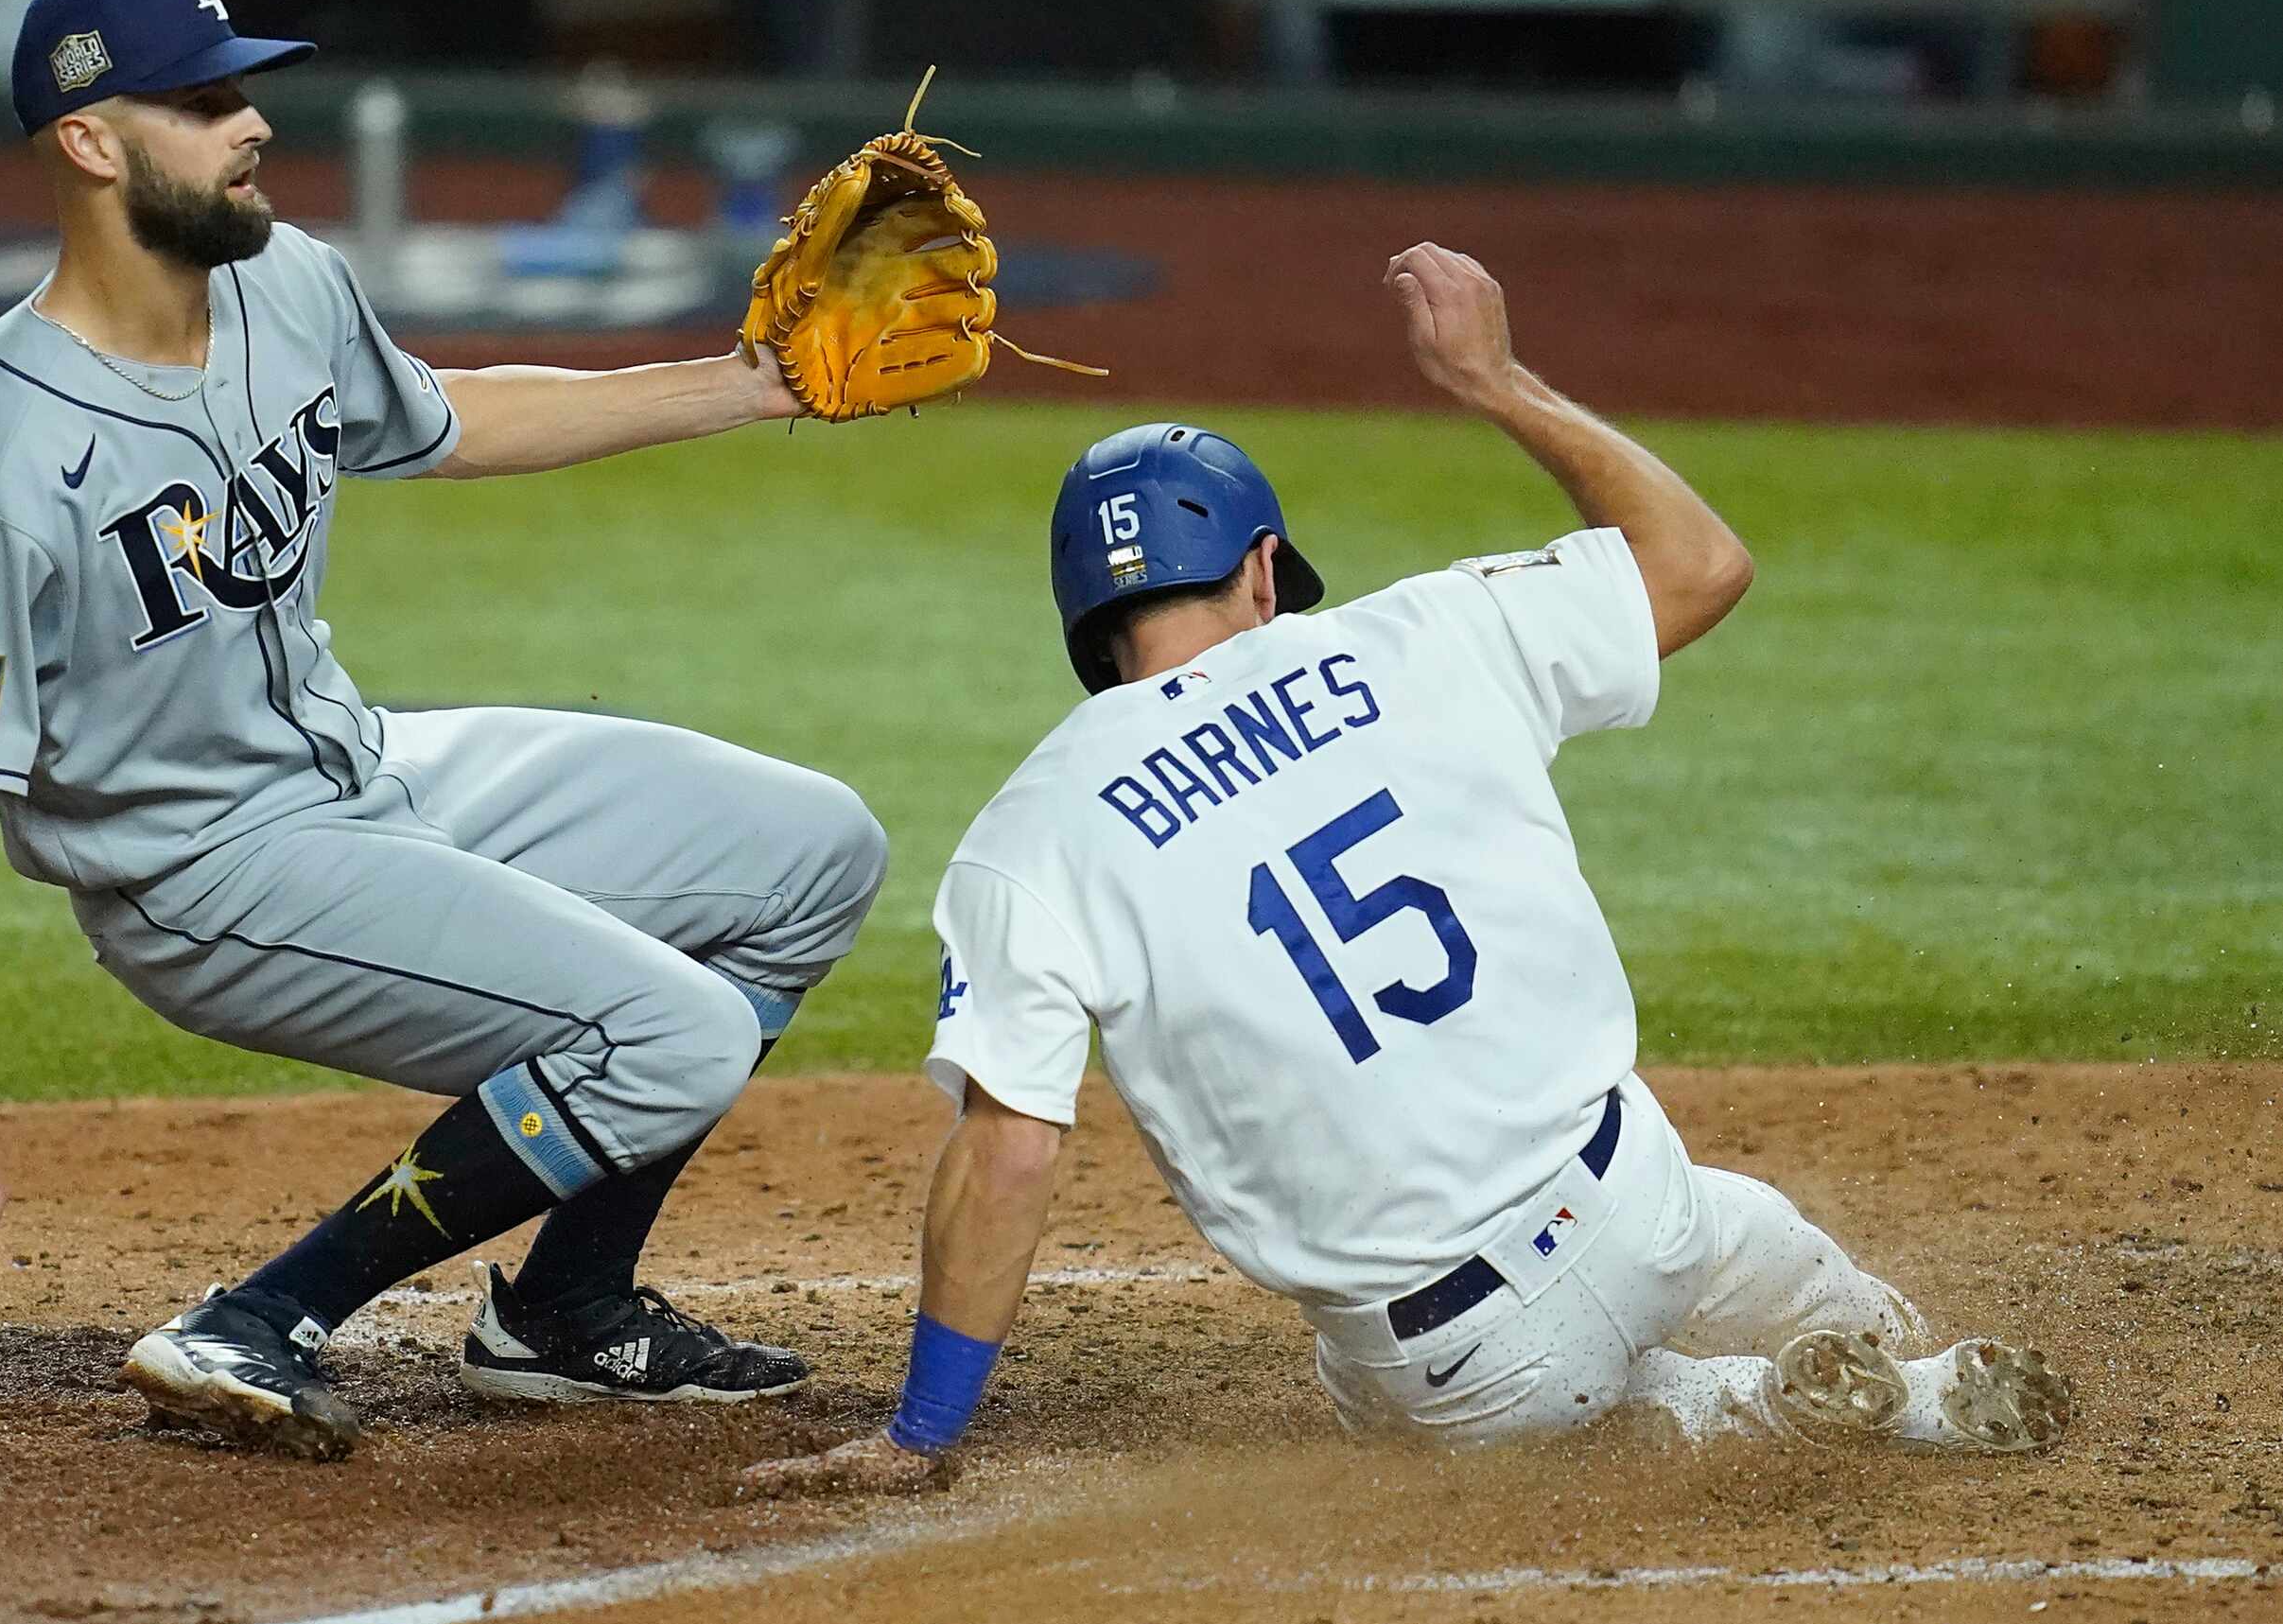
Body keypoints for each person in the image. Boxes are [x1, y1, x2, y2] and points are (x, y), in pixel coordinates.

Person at [745, 243, 2070, 1497]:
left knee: (1569, 1432)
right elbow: (1702, 565)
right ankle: (1899, 1367)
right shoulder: (1421, 633)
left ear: (1086, 630)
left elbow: (1009, 1156)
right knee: (1768, 1254)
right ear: (1264, 570)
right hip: (1645, 1203)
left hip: (1456, 1362)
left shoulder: (1025, 835)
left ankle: (1754, 1410)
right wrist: (1494, 381)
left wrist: (920, 1432)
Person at [0, 0, 886, 1460]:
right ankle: (259, 1313)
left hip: (365, 771)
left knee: (815, 851)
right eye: (202, 102)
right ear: (89, 140)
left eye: (244, 87)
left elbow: (452, 419)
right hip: (206, 875)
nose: (250, 122)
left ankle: (567, 1312)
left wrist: (751, 381)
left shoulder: (286, 281)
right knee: (678, 1033)